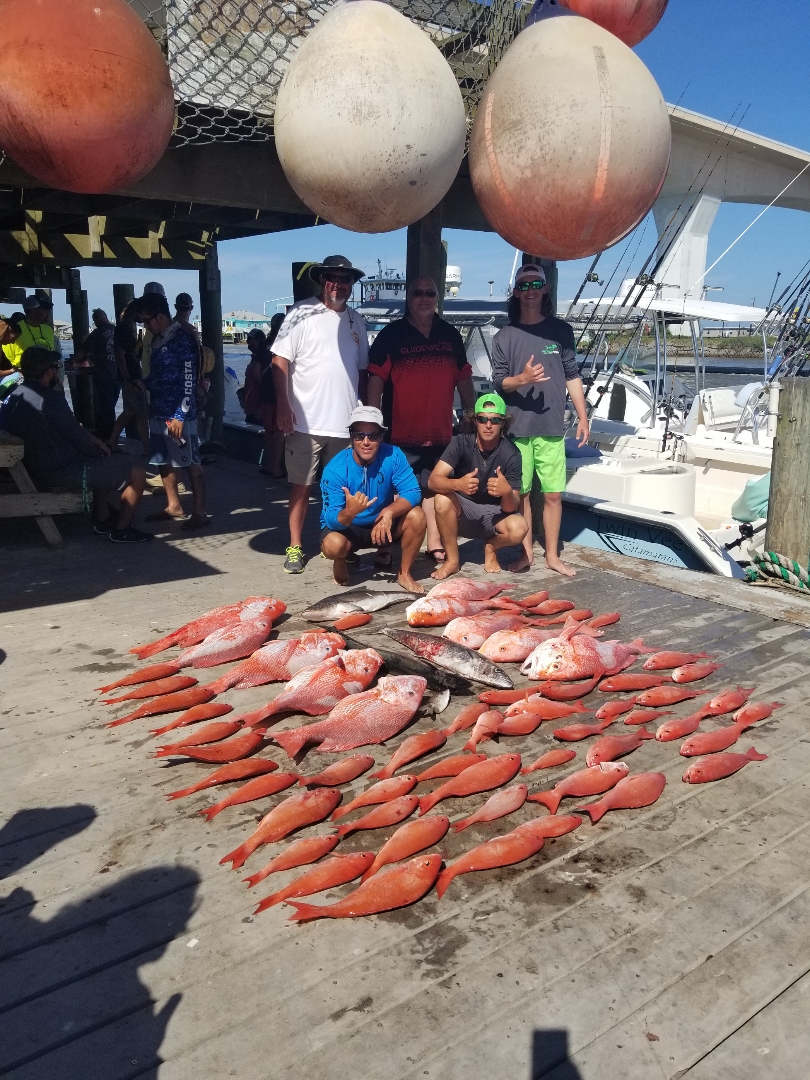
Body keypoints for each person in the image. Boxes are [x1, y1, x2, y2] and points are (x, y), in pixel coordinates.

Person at [367, 276, 475, 566]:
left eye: (430, 293)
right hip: (400, 431)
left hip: (440, 431)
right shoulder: (391, 335)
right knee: (391, 489)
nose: (424, 298)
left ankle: (434, 542)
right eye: (418, 293)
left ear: (437, 298)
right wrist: (372, 418)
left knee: (434, 488)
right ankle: (384, 546)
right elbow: (376, 378)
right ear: (408, 298)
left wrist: (471, 412)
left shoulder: (450, 335)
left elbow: (464, 376)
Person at [271, 255, 369, 574]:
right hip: (305, 422)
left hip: (346, 425)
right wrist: (283, 406)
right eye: (332, 278)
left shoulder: (356, 320)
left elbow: (362, 371)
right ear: (322, 281)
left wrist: (366, 415)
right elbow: (279, 362)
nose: (338, 284)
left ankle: (335, 543)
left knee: (342, 491)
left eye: (345, 279)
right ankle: (295, 546)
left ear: (351, 284)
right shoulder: (301, 312)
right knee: (301, 486)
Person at [491, 264, 589, 577]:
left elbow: (572, 375)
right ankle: (526, 555)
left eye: (536, 284)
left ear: (545, 289)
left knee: (553, 495)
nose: (530, 290)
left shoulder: (561, 331)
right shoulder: (504, 336)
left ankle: (552, 556)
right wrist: (522, 378)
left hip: (551, 428)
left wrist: (583, 416)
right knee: (521, 495)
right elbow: (499, 383)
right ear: (516, 292)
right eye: (524, 285)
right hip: (517, 429)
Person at [0, 347, 151, 542]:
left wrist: (95, 444)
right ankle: (123, 530)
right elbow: (80, 441)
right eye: (56, 368)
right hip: (60, 472)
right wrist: (101, 446)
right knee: (137, 472)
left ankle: (103, 518)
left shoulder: (15, 396)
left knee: (100, 456)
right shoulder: (51, 400)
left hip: (33, 468)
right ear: (49, 372)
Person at [320, 406, 426, 592]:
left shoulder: (394, 455)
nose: (366, 442)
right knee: (332, 546)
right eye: (359, 436)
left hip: (382, 521)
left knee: (418, 516)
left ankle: (404, 573)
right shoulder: (334, 469)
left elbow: (413, 491)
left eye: (373, 436)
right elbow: (330, 519)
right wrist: (349, 512)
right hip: (349, 527)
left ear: (382, 437)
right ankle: (341, 559)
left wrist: (389, 511)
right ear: (351, 437)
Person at [427, 391, 527, 578]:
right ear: (475, 421)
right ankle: (452, 561)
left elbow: (511, 507)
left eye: (495, 420)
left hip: (495, 514)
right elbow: (433, 481)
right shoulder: (460, 443)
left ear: (503, 423)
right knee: (441, 499)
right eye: (482, 419)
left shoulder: (512, 453)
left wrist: (506, 492)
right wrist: (458, 484)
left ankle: (491, 547)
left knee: (519, 528)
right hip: (464, 511)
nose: (488, 425)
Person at [133, 292, 209, 530]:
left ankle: (200, 512)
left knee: (191, 462)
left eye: (147, 320)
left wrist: (179, 416)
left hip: (179, 415)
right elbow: (159, 376)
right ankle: (173, 505)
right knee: (162, 459)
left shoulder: (181, 340)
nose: (145, 326)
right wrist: (144, 383)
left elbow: (188, 381)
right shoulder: (158, 340)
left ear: (160, 316)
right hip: (159, 410)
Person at [243, 323, 284, 478]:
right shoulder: (286, 343)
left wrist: (265, 384)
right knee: (279, 433)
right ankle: (277, 468)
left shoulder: (263, 346)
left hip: (266, 396)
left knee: (268, 432)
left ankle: (269, 465)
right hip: (281, 395)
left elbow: (255, 371)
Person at [72, 309, 119, 441]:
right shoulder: (117, 330)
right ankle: (110, 432)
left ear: (98, 319)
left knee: (105, 406)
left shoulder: (98, 332)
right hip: (117, 373)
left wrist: (72, 361)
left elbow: (83, 350)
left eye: (95, 319)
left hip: (104, 374)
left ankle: (106, 434)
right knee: (111, 404)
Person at [110, 300, 150, 450]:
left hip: (129, 375)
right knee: (142, 412)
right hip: (131, 376)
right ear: (137, 312)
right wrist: (127, 377)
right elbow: (119, 353)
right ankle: (147, 447)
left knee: (129, 411)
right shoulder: (124, 328)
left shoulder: (127, 327)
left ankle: (113, 440)